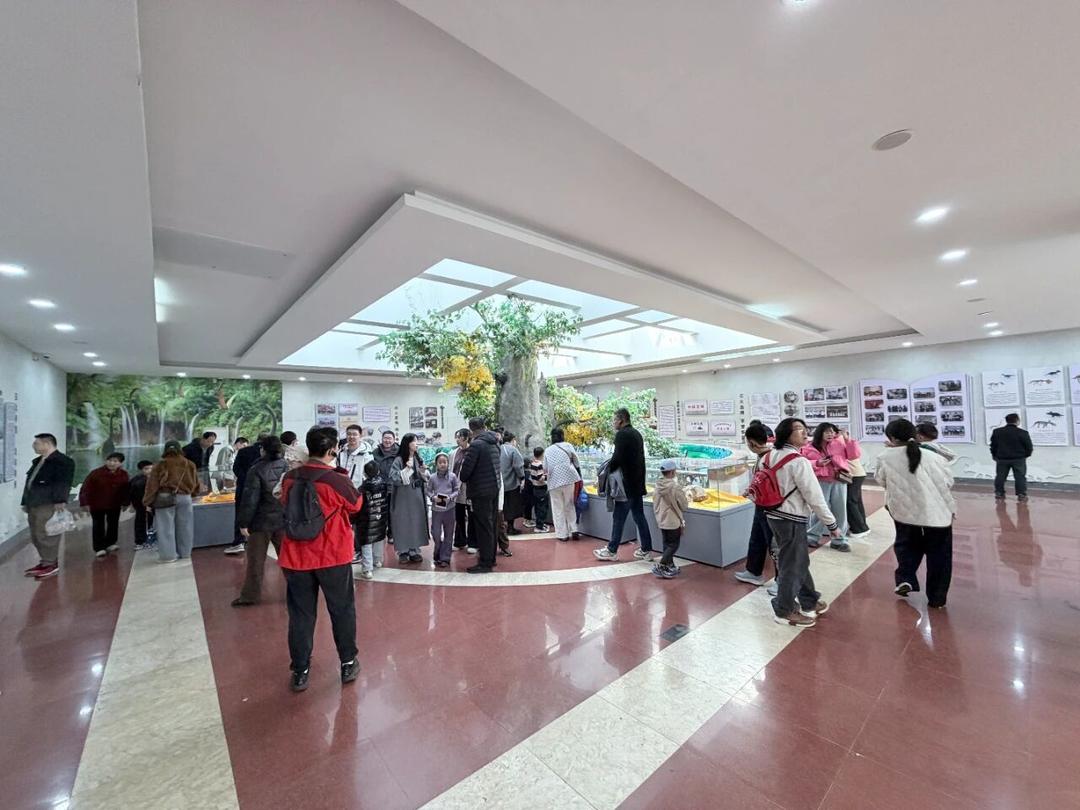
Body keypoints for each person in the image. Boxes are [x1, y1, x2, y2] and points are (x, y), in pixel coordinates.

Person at [278, 427, 362, 692]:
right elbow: (356, 505)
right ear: (332, 449)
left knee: (300, 616)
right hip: (332, 555)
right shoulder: (336, 480)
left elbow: (283, 503)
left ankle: (300, 670)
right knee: (342, 610)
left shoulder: (290, 477)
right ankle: (348, 662)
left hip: (296, 557)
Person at [764, 418, 841, 627]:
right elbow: (814, 497)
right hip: (792, 518)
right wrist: (832, 525)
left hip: (773, 515)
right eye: (798, 429)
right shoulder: (799, 462)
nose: (804, 432)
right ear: (785, 434)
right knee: (792, 564)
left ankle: (809, 601)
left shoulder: (768, 456)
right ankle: (784, 609)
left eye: (805, 428)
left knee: (797, 560)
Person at [876, 419, 956, 608]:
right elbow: (948, 482)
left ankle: (906, 578)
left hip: (904, 512)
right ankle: (937, 598)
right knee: (940, 556)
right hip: (938, 513)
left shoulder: (885, 457)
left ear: (892, 438)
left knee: (906, 546)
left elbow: (881, 480)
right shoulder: (935, 456)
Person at [232, 436, 289, 606]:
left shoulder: (256, 469)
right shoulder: (287, 466)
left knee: (256, 562)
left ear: (262, 450)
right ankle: (297, 593)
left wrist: (243, 523)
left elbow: (250, 499)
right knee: (288, 560)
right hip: (283, 520)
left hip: (261, 522)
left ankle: (250, 596)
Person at [594, 408, 654, 562]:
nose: (613, 422)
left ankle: (612, 550)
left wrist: (606, 471)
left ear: (621, 420)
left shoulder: (622, 435)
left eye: (614, 419)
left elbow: (617, 459)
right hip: (637, 484)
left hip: (625, 485)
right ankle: (646, 549)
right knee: (639, 516)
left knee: (618, 517)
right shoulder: (637, 434)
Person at [21, 433, 76, 580]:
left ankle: (50, 564)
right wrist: (25, 501)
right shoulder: (39, 461)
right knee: (36, 534)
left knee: (46, 534)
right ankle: (45, 561)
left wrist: (60, 500)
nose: (34, 446)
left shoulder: (62, 461)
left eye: (36, 443)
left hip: (48, 503)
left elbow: (63, 482)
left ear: (47, 444)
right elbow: (30, 482)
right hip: (34, 502)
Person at [734, 423, 776, 586]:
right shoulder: (763, 456)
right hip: (761, 504)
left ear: (751, 442)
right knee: (757, 537)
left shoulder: (770, 458)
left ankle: (782, 581)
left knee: (774, 543)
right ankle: (753, 571)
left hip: (771, 507)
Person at [143, 440, 199, 563]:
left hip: (165, 497)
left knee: (165, 527)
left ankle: (168, 556)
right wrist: (193, 494)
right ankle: (185, 553)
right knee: (185, 526)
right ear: (180, 449)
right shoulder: (189, 463)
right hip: (185, 498)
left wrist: (147, 501)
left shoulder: (161, 464)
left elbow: (152, 485)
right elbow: (196, 483)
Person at [458, 417, 501, 573]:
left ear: (471, 430)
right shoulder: (495, 442)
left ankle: (485, 563)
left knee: (483, 527)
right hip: (494, 488)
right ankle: (491, 558)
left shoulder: (476, 445)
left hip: (480, 491)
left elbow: (464, 474)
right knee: (491, 525)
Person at [801, 423, 853, 551]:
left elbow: (854, 455)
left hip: (839, 481)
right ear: (820, 433)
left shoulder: (839, 444)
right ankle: (812, 536)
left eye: (832, 432)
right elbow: (803, 462)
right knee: (820, 509)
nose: (831, 434)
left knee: (840, 510)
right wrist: (817, 463)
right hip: (820, 481)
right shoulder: (809, 447)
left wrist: (848, 440)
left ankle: (839, 540)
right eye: (827, 432)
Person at [79, 452, 130, 558]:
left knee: (113, 523)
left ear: (120, 463)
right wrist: (84, 503)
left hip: (115, 503)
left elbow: (126, 490)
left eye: (115, 461)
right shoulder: (96, 473)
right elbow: (85, 488)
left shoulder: (123, 474)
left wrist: (126, 502)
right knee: (98, 525)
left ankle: (111, 543)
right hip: (97, 504)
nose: (112, 463)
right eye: (109, 460)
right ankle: (99, 548)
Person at [389, 432, 430, 564]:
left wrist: (423, 472)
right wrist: (407, 469)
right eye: (414, 441)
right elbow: (394, 477)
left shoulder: (417, 458)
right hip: (403, 496)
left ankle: (414, 550)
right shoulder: (399, 460)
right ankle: (403, 551)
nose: (416, 444)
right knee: (402, 522)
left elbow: (423, 476)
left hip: (416, 496)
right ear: (407, 444)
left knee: (416, 522)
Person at [227, 435, 266, 555]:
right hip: (262, 489)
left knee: (240, 514)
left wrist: (245, 479)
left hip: (243, 488)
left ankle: (239, 542)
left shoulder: (244, 451)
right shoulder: (269, 454)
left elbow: (236, 469)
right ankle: (257, 541)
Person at [651, 459, 689, 579]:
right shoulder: (675, 487)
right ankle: (661, 566)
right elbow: (684, 505)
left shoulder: (657, 485)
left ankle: (669, 566)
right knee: (673, 545)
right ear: (672, 472)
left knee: (666, 544)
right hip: (672, 520)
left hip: (661, 519)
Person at [544, 427, 582, 542]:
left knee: (558, 508)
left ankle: (562, 534)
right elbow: (577, 462)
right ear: (562, 436)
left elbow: (545, 468)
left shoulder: (548, 450)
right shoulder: (568, 446)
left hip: (554, 482)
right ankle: (574, 529)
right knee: (569, 504)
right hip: (569, 478)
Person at [353, 461, 388, 580]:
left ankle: (367, 569)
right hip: (380, 517)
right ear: (378, 471)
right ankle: (378, 560)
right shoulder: (383, 483)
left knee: (366, 543)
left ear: (365, 473)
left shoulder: (363, 487)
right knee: (379, 538)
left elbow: (357, 502)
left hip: (366, 520)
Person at [427, 452, 460, 567]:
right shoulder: (432, 477)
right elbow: (428, 490)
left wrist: (451, 497)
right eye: (440, 462)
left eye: (444, 462)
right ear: (436, 464)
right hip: (436, 510)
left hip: (450, 509)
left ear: (448, 463)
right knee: (435, 533)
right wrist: (433, 497)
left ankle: (445, 558)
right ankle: (438, 552)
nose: (442, 464)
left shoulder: (453, 476)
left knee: (449, 534)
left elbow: (456, 490)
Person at [990, 413, 1032, 502]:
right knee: (1020, 477)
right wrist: (1025, 455)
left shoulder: (997, 431)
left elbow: (993, 445)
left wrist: (994, 455)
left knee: (1000, 476)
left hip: (1002, 458)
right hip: (1018, 458)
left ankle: (999, 492)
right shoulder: (1022, 433)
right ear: (1017, 421)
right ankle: (1021, 494)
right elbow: (1029, 447)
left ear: (1006, 421)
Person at [498, 430, 525, 553]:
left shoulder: (498, 449)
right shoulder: (513, 450)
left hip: (500, 483)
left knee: (502, 506)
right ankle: (510, 527)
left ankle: (503, 527)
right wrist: (522, 477)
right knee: (512, 505)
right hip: (511, 482)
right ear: (513, 440)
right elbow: (518, 466)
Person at [841, 428, 870, 538]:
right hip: (856, 474)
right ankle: (862, 526)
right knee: (856, 501)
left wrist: (846, 439)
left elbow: (853, 454)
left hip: (854, 475)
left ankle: (859, 529)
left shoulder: (849, 443)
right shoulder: (844, 443)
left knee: (850, 501)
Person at [448, 429, 474, 551]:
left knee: (472, 515)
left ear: (466, 438)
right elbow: (450, 469)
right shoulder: (453, 453)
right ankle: (459, 541)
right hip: (456, 488)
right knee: (458, 515)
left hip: (469, 487)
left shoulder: (473, 451)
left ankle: (473, 543)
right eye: (457, 437)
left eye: (459, 437)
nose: (457, 439)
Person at [129, 459, 155, 550]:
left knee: (153, 523)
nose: (149, 471)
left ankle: (151, 540)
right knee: (140, 522)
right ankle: (140, 541)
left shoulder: (156, 479)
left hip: (153, 505)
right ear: (141, 470)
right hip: (140, 505)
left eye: (151, 468)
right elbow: (132, 494)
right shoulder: (136, 481)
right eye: (146, 469)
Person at [339, 424, 374, 488]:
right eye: (349, 434)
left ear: (360, 436)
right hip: (341, 489)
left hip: (358, 490)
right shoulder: (341, 452)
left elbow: (369, 475)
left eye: (354, 434)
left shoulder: (366, 454)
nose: (351, 437)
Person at [527, 447, 551, 532]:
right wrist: (547, 475)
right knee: (542, 508)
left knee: (538, 507)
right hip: (541, 488)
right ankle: (539, 527)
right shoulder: (540, 464)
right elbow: (540, 478)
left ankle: (539, 524)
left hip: (535, 488)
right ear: (542, 454)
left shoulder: (533, 463)